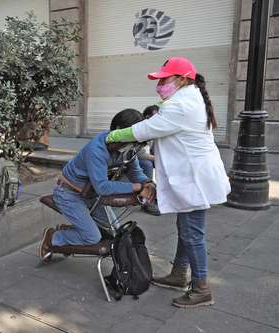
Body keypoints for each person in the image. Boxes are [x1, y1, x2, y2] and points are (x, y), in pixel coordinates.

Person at [106, 57, 230, 308]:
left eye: (164, 79)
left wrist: (113, 135)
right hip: (195, 177)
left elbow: (145, 130)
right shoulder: (190, 98)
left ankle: (201, 288)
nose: (159, 84)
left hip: (194, 180)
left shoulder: (181, 105)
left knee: (192, 233)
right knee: (187, 230)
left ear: (182, 79)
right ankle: (178, 274)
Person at [39, 109, 156, 260]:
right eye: (132, 140)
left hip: (91, 194)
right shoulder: (97, 149)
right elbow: (103, 186)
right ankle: (53, 237)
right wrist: (138, 187)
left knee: (114, 231)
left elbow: (136, 172)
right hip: (69, 193)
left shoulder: (128, 148)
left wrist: (147, 182)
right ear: (119, 131)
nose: (134, 146)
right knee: (92, 237)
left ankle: (74, 231)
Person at [138, 105, 160, 216]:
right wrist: (157, 158)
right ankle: (147, 201)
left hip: (147, 156)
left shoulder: (156, 129)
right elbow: (140, 154)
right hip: (134, 158)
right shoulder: (142, 129)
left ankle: (162, 195)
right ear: (147, 117)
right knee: (147, 164)